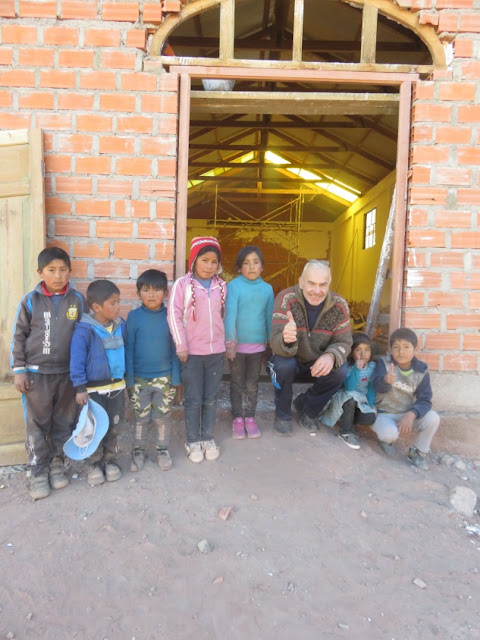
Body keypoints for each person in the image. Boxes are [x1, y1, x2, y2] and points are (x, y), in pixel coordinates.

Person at [11, 247, 86, 500]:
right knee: (37, 424)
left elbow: (83, 336)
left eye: (63, 270)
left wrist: (81, 374)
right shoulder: (30, 300)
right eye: (51, 270)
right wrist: (19, 370)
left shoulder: (77, 300)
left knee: (64, 422)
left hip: (67, 374)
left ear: (70, 272)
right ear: (40, 272)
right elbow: (18, 336)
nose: (58, 276)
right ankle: (37, 471)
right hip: (36, 375)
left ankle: (57, 464)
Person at [268, 260, 352, 437]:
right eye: (311, 283)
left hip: (317, 364)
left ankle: (309, 408)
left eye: (323, 285)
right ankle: (283, 415)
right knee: (283, 365)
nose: (317, 290)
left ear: (329, 284)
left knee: (340, 369)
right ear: (301, 282)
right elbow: (274, 342)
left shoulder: (339, 305)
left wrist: (331, 355)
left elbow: (344, 342)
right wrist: (285, 339)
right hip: (291, 361)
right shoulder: (286, 299)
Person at [168, 236, 227, 463]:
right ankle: (192, 441)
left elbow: (226, 317)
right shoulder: (182, 285)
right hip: (191, 354)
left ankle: (207, 438)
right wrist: (181, 346)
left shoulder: (222, 286)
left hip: (216, 353)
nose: (209, 266)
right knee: (193, 399)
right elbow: (173, 315)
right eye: (205, 260)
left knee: (211, 398)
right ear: (194, 260)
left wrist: (228, 343)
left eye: (214, 262)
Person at [70, 279, 126, 486]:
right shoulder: (84, 330)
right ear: (96, 307)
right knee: (93, 428)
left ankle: (110, 460)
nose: (118, 307)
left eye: (118, 302)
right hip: (93, 391)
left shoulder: (121, 326)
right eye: (112, 303)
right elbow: (76, 361)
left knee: (114, 426)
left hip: (117, 388)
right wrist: (80, 387)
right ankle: (94, 463)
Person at [125, 269, 181, 472]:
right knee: (141, 417)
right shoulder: (133, 317)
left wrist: (176, 377)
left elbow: (176, 348)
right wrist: (129, 380)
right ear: (138, 293)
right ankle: (138, 451)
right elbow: (128, 349)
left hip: (165, 379)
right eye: (146, 290)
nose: (151, 294)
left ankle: (162, 450)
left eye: (157, 290)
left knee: (162, 417)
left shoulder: (170, 317)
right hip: (139, 380)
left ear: (165, 293)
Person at [371, 327, 439, 470]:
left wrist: (411, 414)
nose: (401, 352)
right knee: (389, 434)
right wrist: (384, 381)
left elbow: (425, 400)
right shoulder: (383, 364)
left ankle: (418, 452)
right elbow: (375, 387)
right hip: (385, 414)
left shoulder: (421, 370)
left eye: (406, 347)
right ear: (391, 349)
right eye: (396, 347)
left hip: (406, 415)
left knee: (433, 418)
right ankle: (386, 442)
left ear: (416, 349)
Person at [224, 246, 274, 439]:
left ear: (262, 267)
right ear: (239, 268)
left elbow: (269, 317)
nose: (251, 266)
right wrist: (230, 342)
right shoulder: (234, 287)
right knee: (236, 382)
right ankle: (237, 418)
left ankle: (250, 418)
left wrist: (272, 343)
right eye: (246, 263)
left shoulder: (267, 289)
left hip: (258, 347)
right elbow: (230, 315)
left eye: (255, 262)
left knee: (252, 384)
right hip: (237, 347)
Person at [317, 332, 376, 449]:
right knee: (351, 399)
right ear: (351, 352)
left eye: (367, 350)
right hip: (346, 399)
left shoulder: (372, 367)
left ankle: (349, 422)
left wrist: (371, 404)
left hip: (361, 400)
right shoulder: (348, 368)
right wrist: (357, 370)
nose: (363, 354)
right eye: (358, 350)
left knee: (370, 418)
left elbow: (370, 387)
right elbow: (349, 387)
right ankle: (345, 432)